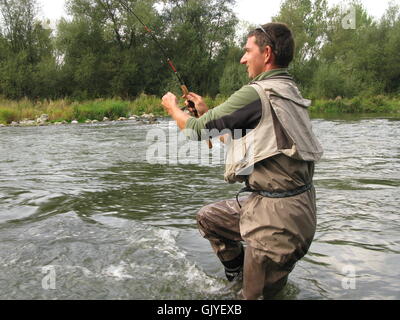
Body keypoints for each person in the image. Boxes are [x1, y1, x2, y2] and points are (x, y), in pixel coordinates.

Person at [161, 22, 323, 300]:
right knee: (209, 219)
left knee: (253, 300)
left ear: (267, 53)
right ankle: (239, 278)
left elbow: (198, 131)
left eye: (248, 51)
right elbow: (256, 145)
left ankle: (249, 286)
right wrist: (206, 112)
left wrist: (173, 109)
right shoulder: (287, 89)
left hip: (278, 219)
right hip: (288, 209)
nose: (243, 58)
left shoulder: (256, 93)